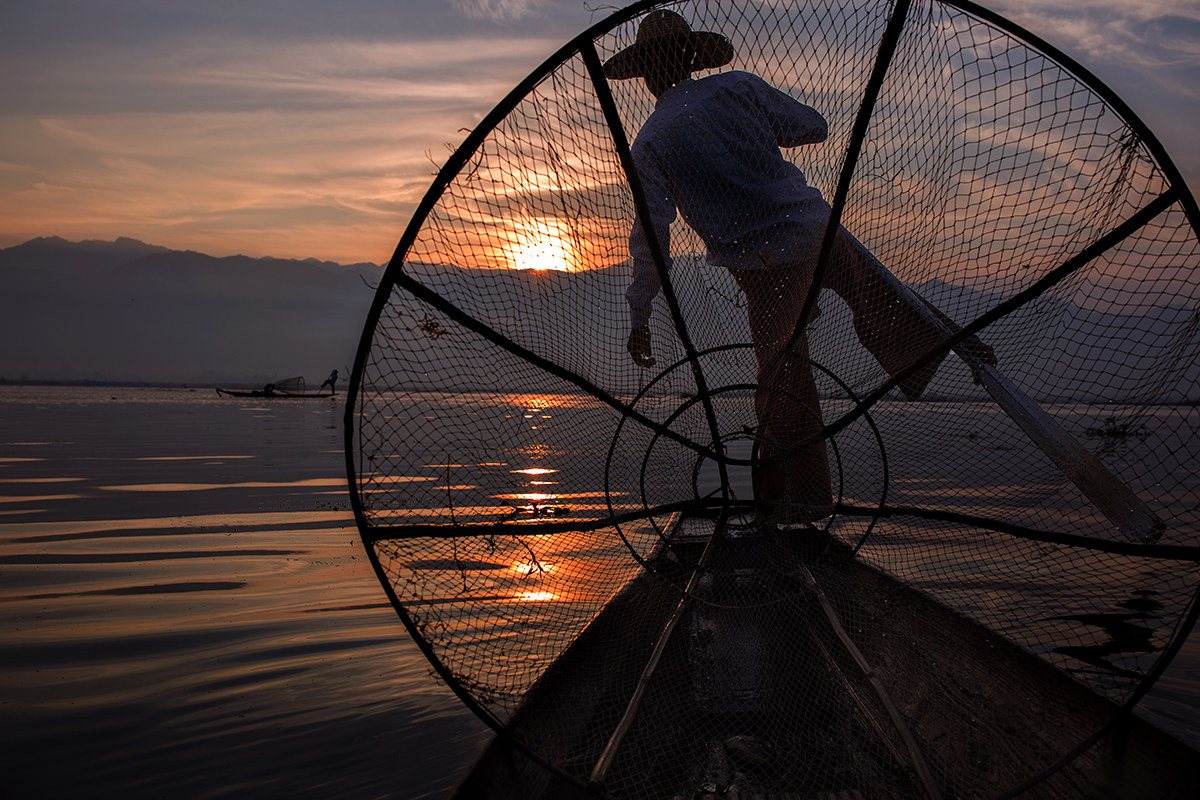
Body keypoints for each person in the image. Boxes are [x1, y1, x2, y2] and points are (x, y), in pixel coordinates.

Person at [604, 11, 994, 525]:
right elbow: (813, 126)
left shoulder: (651, 142)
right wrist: (755, 132)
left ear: (648, 74)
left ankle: (798, 503)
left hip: (762, 265)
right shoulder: (738, 88)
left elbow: (652, 237)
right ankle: (958, 347)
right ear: (691, 58)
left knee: (785, 380)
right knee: (882, 298)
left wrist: (640, 313)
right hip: (815, 231)